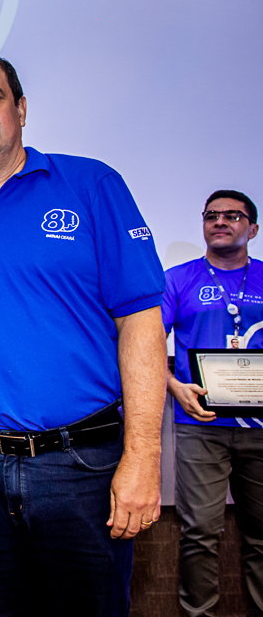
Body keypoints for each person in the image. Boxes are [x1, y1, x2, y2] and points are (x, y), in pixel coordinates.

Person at [0, 52, 167, 615]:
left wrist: (143, 455)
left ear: (20, 108)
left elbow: (141, 321)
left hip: (81, 467)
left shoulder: (91, 185)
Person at [162, 190, 263, 616]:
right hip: (200, 424)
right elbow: (143, 347)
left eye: (233, 216)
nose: (220, 222)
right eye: (212, 215)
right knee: (199, 533)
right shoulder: (177, 279)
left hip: (260, 430)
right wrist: (173, 385)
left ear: (252, 229)